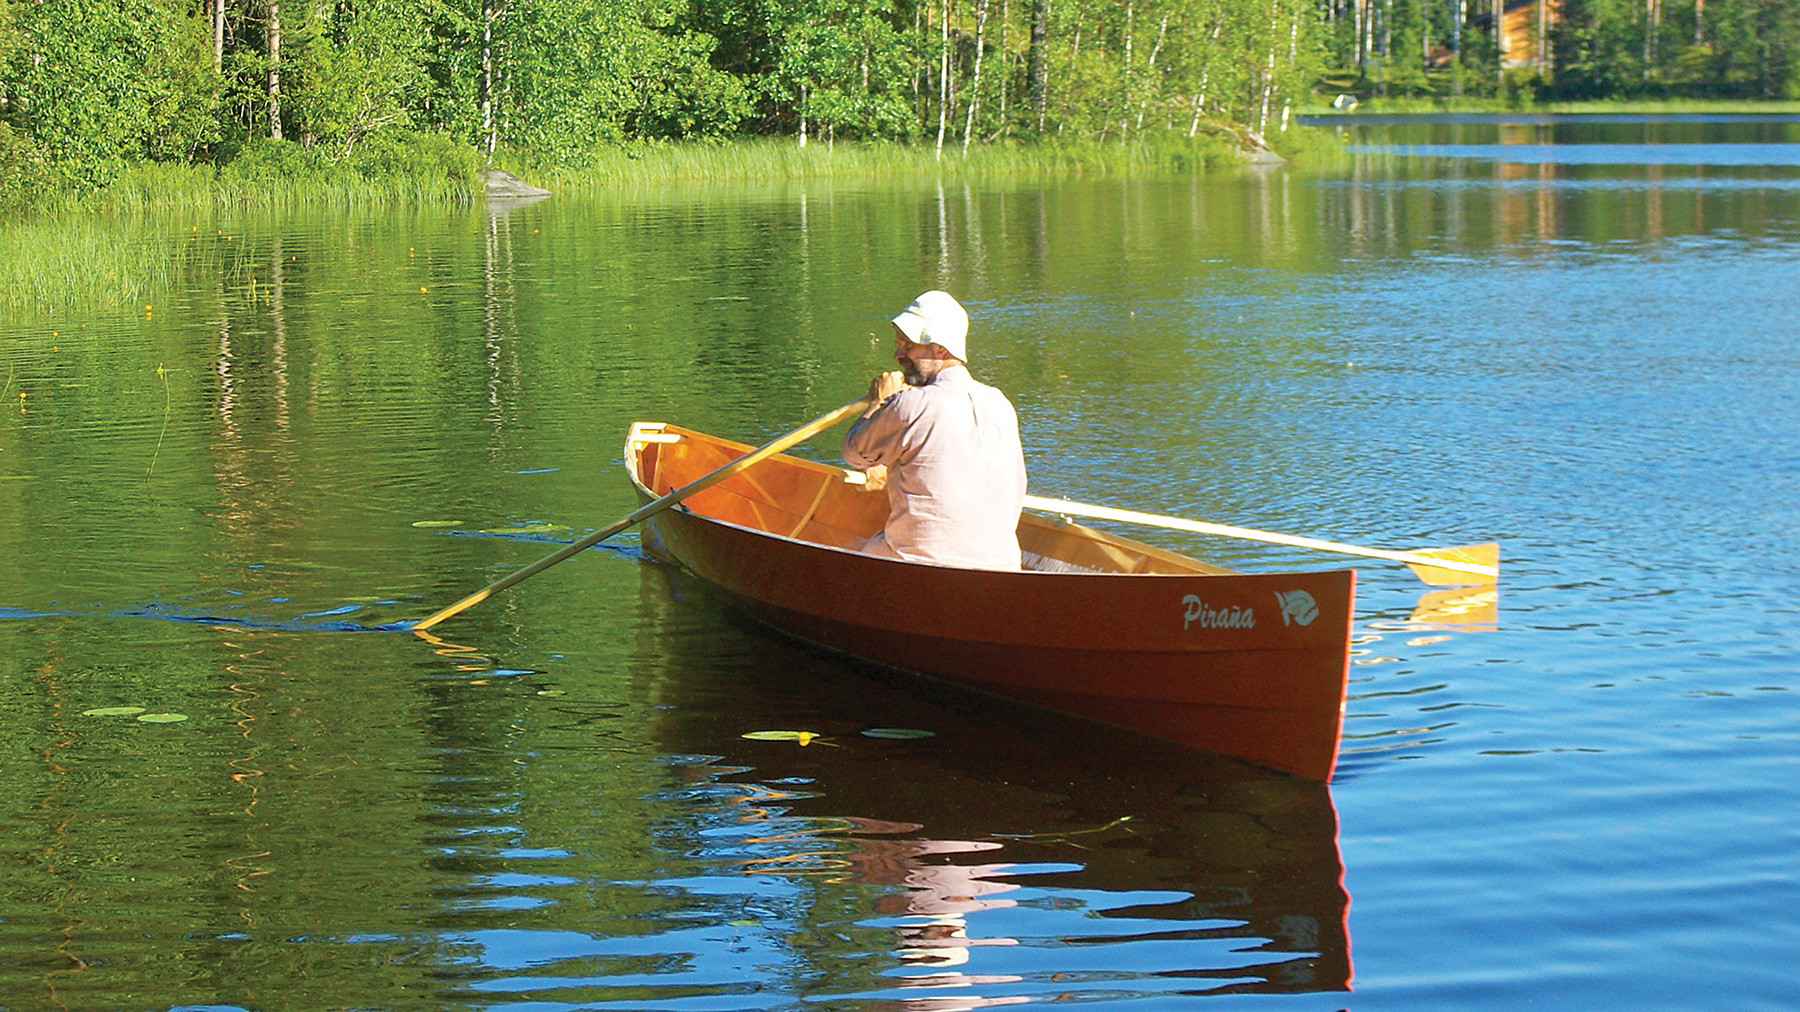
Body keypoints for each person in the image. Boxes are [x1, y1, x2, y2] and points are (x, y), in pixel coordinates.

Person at [842, 290, 1027, 570]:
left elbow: (855, 454)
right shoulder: (1000, 403)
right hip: (1002, 567)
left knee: (856, 556)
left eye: (908, 346)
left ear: (940, 349)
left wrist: (879, 402)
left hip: (919, 565)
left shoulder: (910, 404)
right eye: (899, 344)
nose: (897, 355)